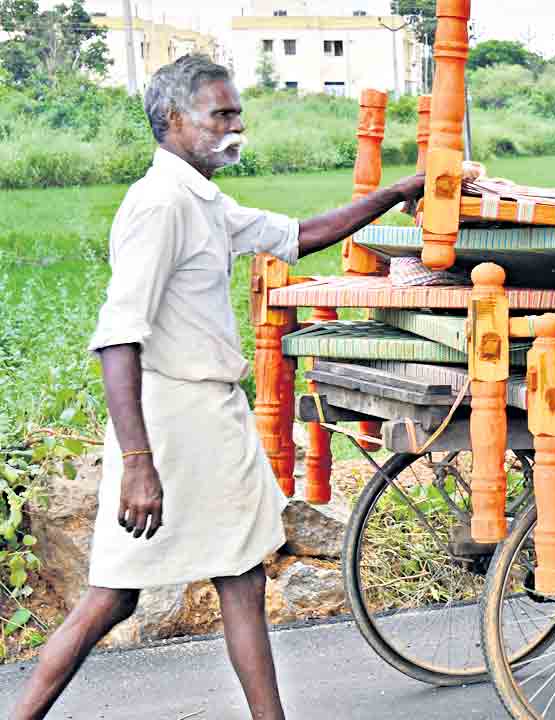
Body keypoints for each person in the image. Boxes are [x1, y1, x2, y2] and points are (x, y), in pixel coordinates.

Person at [10, 55, 426, 720]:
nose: (236, 126)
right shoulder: (160, 206)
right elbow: (119, 338)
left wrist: (389, 194)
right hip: (169, 423)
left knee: (240, 576)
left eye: (238, 112)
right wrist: (139, 465)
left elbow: (296, 235)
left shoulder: (202, 199)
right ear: (173, 121)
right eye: (221, 114)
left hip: (206, 417)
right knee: (117, 593)